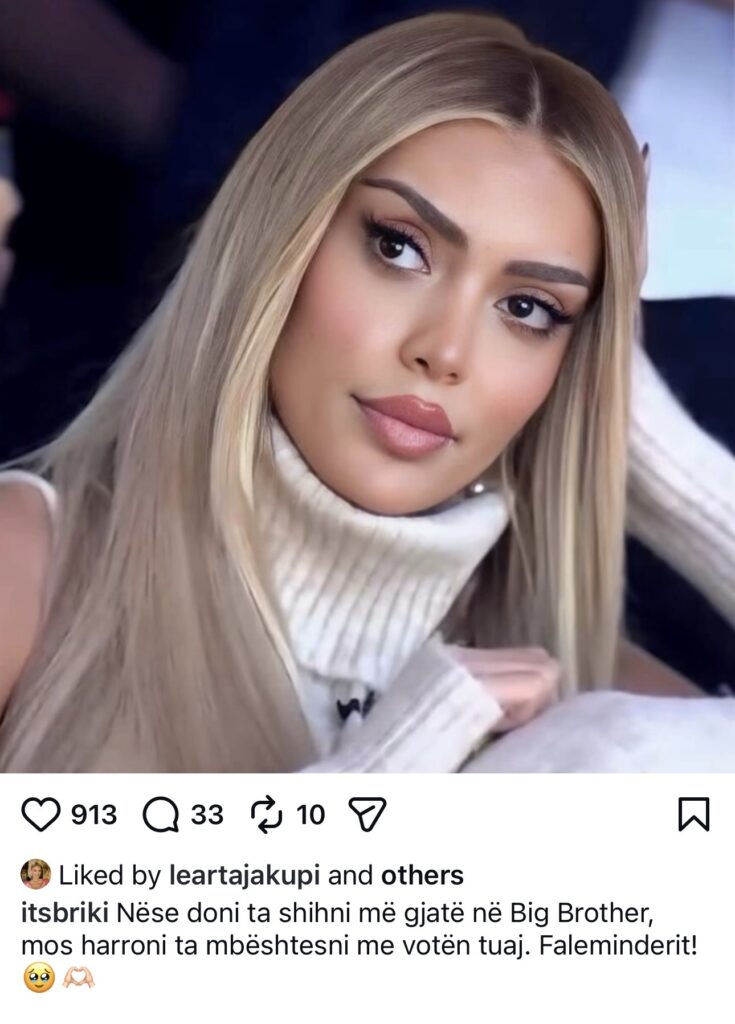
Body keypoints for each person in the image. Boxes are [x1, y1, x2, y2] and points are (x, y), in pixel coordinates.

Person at [0, 12, 732, 773]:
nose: (444, 351)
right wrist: (375, 785)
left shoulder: (583, 688)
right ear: (280, 237)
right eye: (399, 248)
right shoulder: (30, 565)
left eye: (528, 308)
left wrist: (666, 465)